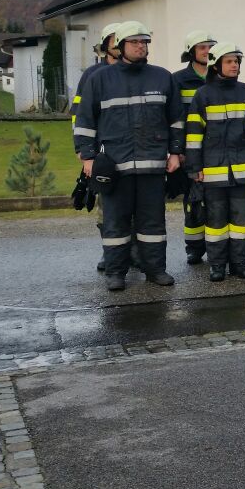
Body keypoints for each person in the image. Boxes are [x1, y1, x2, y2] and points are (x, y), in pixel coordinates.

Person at [74, 21, 182, 291]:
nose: (140, 46)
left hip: (152, 165)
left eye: (144, 42)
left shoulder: (162, 77)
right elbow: (85, 121)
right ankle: (115, 273)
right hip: (114, 166)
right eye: (134, 42)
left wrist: (176, 152)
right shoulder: (100, 79)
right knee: (115, 223)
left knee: (153, 223)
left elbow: (176, 120)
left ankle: (155, 270)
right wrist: (87, 157)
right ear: (120, 47)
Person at [183, 42, 245, 282]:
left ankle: (239, 264)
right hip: (212, 171)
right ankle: (217, 265)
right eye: (229, 61)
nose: (235, 65)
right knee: (216, 221)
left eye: (237, 61)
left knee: (241, 221)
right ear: (216, 65)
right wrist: (194, 167)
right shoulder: (203, 95)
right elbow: (193, 135)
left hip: (242, 170)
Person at [72, 21, 124, 273]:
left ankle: (134, 252)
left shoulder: (138, 73)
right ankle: (110, 251)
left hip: (132, 149)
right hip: (103, 152)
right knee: (106, 205)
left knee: (135, 206)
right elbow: (79, 115)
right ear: (105, 45)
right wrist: (83, 152)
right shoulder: (92, 75)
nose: (120, 44)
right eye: (115, 40)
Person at [173, 30, 216, 265]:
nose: (207, 51)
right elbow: (175, 118)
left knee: (217, 202)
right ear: (191, 52)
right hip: (190, 151)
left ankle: (217, 247)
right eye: (202, 47)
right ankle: (195, 248)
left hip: (217, 151)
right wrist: (178, 150)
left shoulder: (220, 76)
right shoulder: (178, 80)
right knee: (193, 201)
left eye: (210, 47)